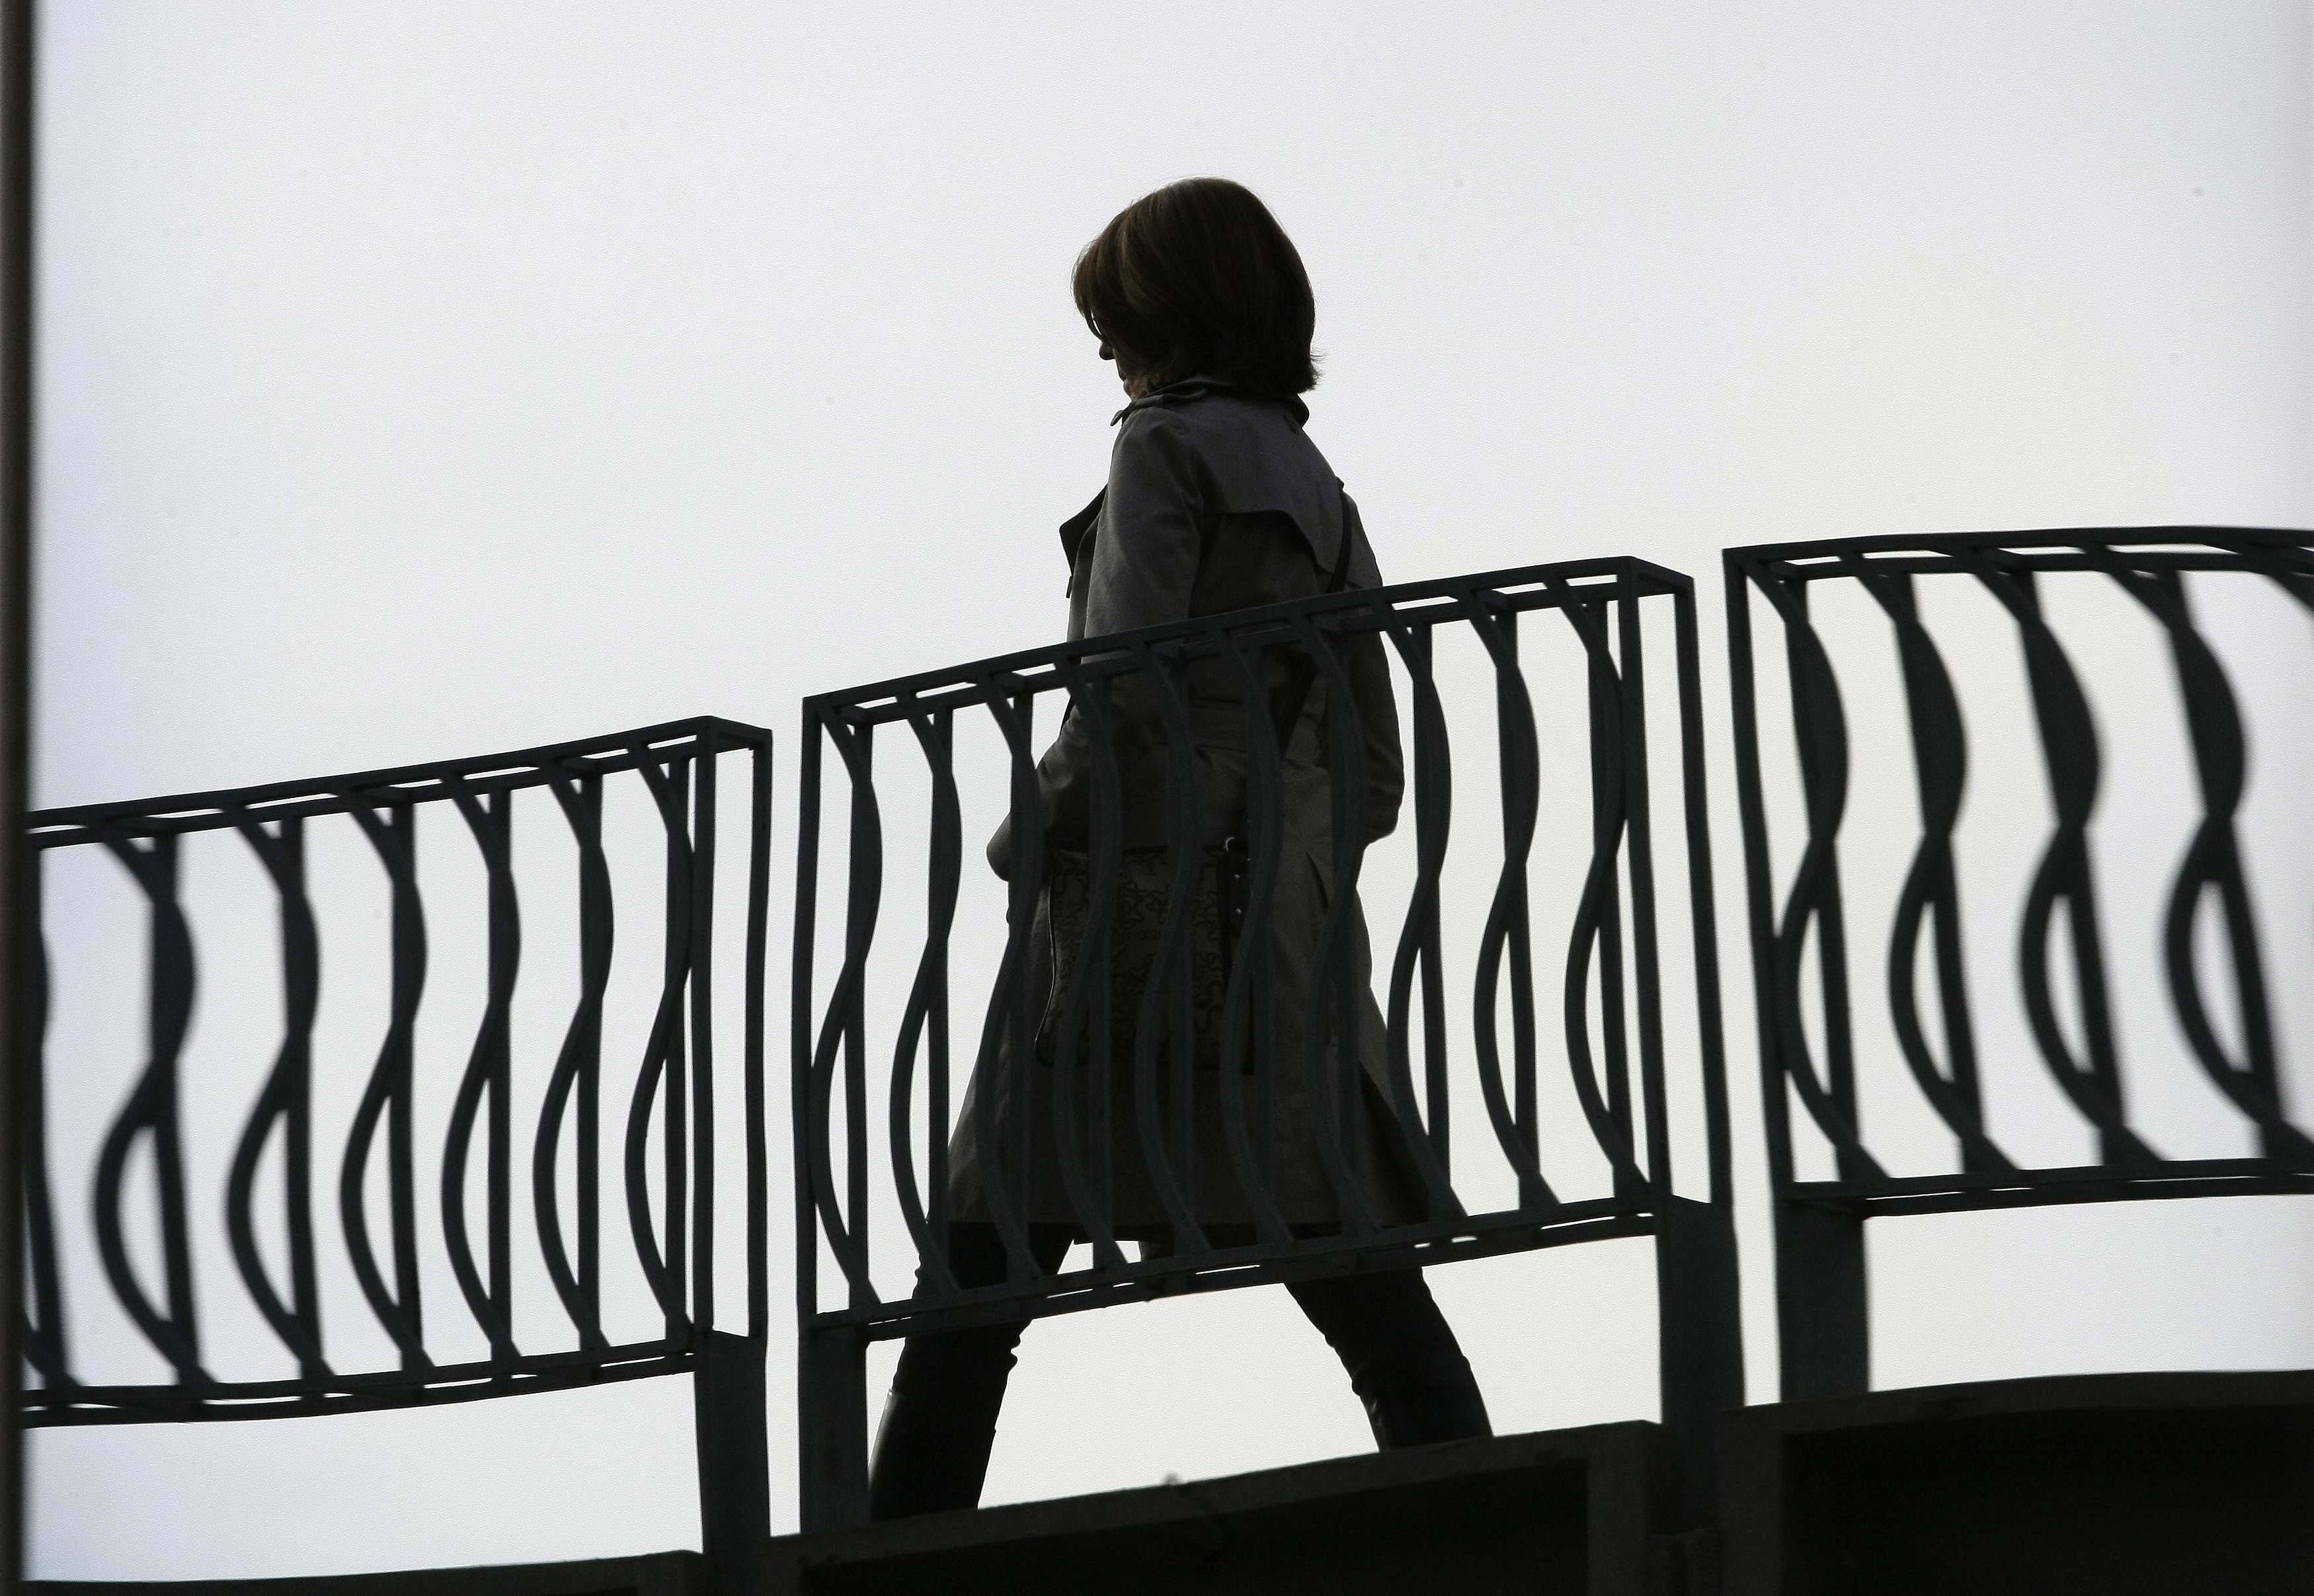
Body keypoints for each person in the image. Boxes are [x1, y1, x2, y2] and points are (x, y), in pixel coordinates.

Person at [866, 177, 1491, 1521]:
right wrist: (1293, 856)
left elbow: (1123, 677)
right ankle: (1492, 1524)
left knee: (978, 1280)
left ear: (1169, 312)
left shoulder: (1159, 450)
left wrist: (1034, 829)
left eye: (1115, 315)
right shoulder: (1317, 485)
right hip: (1279, 921)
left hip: (1127, 916)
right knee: (1357, 1277)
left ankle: (880, 1557)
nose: (1101, 346)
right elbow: (1374, 758)